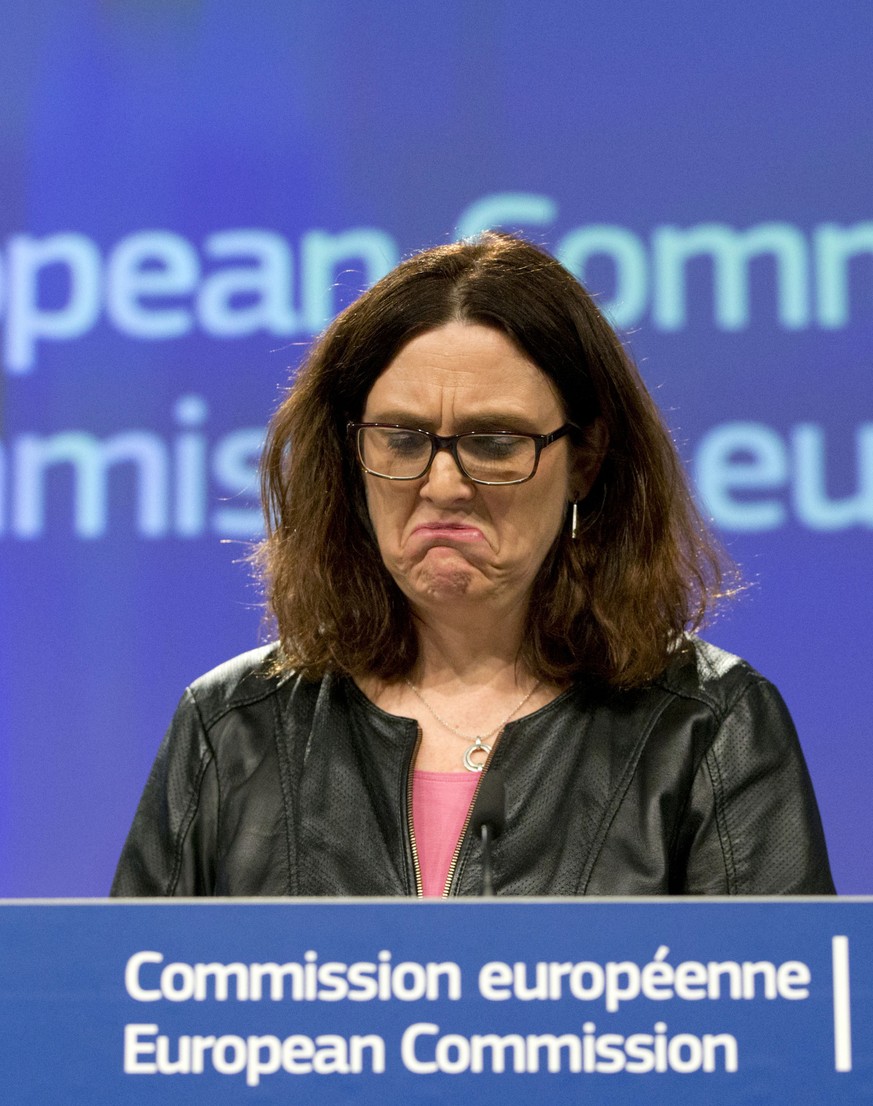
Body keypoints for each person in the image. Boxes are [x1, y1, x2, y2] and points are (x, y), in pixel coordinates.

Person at [111, 232, 834, 898]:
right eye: (400, 438)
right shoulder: (233, 726)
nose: (444, 485)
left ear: (583, 461)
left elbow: (779, 1028)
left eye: (493, 442)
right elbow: (130, 1018)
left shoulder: (706, 728)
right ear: (349, 459)